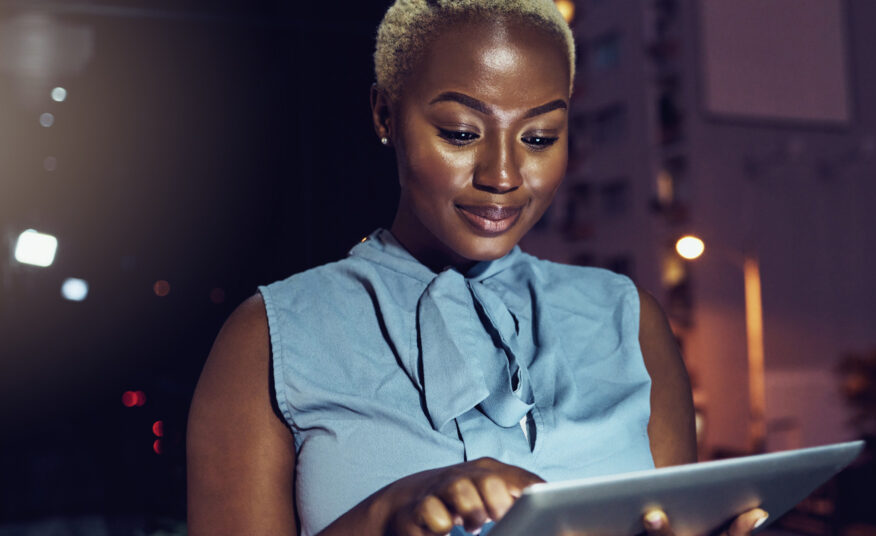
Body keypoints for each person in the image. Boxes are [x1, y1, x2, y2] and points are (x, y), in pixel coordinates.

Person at [187, 1, 768, 535]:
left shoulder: (628, 320)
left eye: (540, 137)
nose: (504, 175)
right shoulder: (271, 337)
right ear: (385, 113)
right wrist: (391, 512)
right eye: (461, 133)